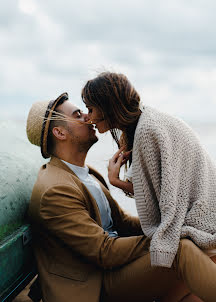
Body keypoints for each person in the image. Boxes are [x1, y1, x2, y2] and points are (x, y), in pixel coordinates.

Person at [26, 92, 214, 302]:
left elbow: (122, 223)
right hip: (96, 285)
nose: (89, 117)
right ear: (60, 132)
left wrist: (177, 226)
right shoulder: (55, 190)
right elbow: (103, 251)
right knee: (180, 250)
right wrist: (169, 235)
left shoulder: (84, 173)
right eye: (78, 115)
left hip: (114, 270)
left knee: (197, 258)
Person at [81, 72, 216, 301]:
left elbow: (168, 197)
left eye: (90, 109)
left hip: (199, 225)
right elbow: (164, 190)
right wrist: (119, 182)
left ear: (107, 106)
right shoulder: (148, 121)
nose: (88, 117)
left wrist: (117, 182)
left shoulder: (147, 130)